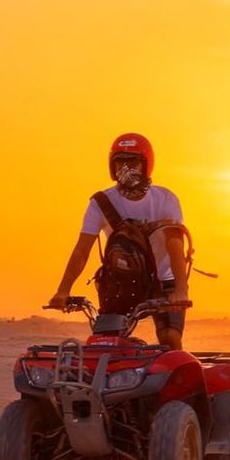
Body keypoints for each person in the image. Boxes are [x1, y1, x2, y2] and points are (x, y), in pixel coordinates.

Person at [48, 132, 189, 350]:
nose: (126, 168)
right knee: (105, 343)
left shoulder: (165, 199)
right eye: (120, 162)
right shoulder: (100, 203)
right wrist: (63, 290)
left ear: (146, 164)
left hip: (163, 282)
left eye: (133, 162)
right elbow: (81, 251)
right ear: (112, 166)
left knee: (170, 338)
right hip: (122, 283)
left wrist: (180, 289)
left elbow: (175, 245)